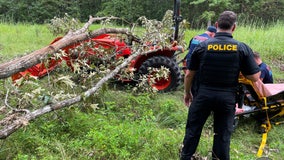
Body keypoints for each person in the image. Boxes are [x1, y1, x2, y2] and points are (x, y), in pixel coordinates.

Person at [180, 11, 261, 160]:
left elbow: (189, 74)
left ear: (216, 25)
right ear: (234, 27)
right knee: (222, 135)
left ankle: (186, 157)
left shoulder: (202, 46)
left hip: (202, 96)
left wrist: (187, 93)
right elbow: (255, 77)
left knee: (193, 131)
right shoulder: (241, 48)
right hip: (226, 98)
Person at [184, 26, 216, 96]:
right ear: (212, 34)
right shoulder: (209, 41)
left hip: (190, 67)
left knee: (193, 88)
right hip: (201, 69)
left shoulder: (194, 38)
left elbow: (190, 51)